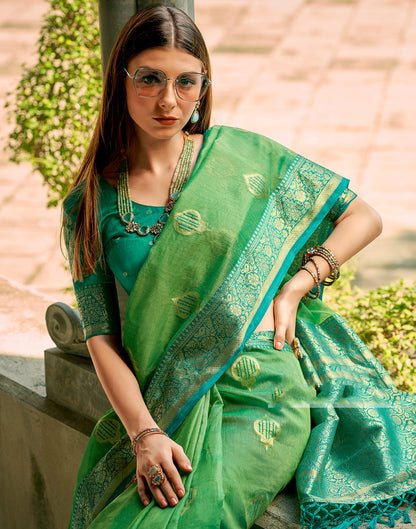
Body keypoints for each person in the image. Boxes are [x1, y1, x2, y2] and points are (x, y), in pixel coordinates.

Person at [63, 5, 416, 529]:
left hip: (264, 394)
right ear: (122, 81)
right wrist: (144, 433)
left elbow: (363, 216)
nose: (168, 100)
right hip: (164, 403)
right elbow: (100, 337)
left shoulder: (239, 156)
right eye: (150, 79)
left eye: (187, 82)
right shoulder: (89, 202)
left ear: (204, 87)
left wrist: (296, 286)